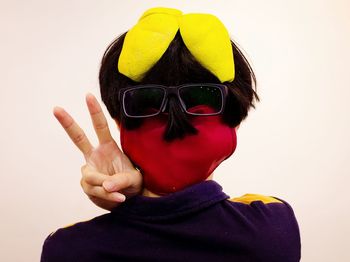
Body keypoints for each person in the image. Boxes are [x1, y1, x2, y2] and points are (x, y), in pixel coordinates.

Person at [41, 7, 301, 262]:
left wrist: (132, 202)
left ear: (119, 123)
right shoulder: (273, 231)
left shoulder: (67, 249)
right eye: (151, 100)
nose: (175, 121)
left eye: (199, 99)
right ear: (235, 122)